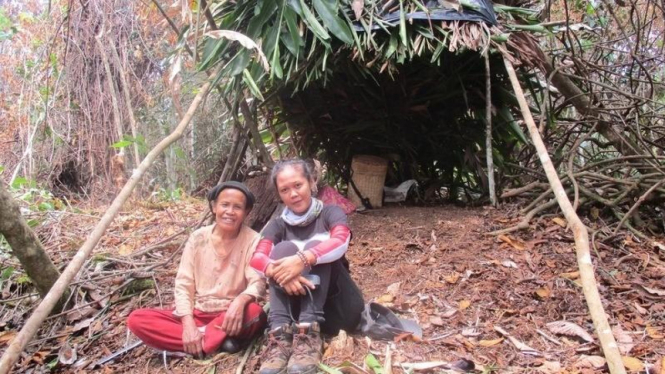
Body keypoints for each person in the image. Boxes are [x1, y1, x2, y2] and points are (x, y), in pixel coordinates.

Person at [127, 181, 267, 357]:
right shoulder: (198, 238)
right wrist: (188, 324)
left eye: (237, 207)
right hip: (198, 313)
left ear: (246, 212)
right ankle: (216, 340)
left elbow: (258, 282)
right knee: (137, 319)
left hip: (231, 315)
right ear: (214, 207)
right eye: (224, 205)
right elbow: (184, 284)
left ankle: (200, 342)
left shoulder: (253, 240)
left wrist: (240, 301)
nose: (230, 212)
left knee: (256, 313)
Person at [250, 159, 364, 374]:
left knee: (317, 245)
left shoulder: (331, 213)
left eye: (298, 185)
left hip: (339, 308)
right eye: (285, 190)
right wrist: (284, 273)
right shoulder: (277, 225)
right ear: (279, 194)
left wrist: (303, 259)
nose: (293, 194)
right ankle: (280, 338)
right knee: (281, 250)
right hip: (295, 314)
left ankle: (310, 335)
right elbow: (257, 259)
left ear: (312, 182)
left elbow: (339, 242)